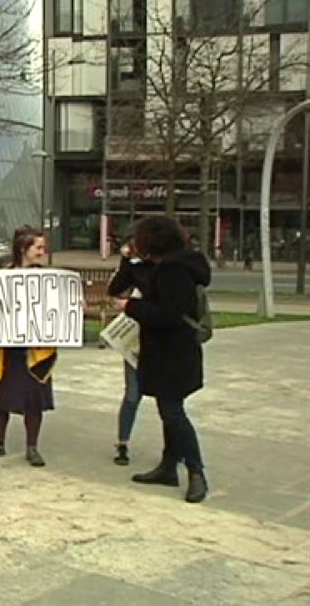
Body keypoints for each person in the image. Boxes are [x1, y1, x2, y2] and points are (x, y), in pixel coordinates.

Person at [112, 216, 211, 504]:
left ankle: (196, 471)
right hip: (168, 353)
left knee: (173, 413)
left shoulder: (174, 271)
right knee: (168, 409)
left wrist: (130, 306)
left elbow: (166, 315)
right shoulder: (172, 266)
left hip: (174, 354)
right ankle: (169, 467)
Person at [0, 228, 56, 467]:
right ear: (24, 249)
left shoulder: (49, 279)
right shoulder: (1, 277)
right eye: (38, 248)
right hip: (6, 345)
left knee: (34, 397)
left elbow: (58, 305)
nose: (42, 252)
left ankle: (32, 447)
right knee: (1, 394)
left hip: (35, 345)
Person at [107, 240, 155, 466]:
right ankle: (122, 442)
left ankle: (174, 449)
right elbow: (115, 289)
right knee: (132, 394)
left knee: (169, 401)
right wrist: (126, 261)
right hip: (134, 341)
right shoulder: (135, 270)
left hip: (159, 341)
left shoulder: (164, 270)